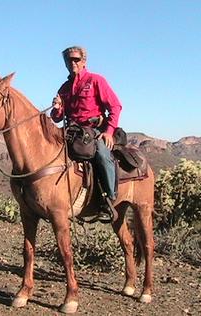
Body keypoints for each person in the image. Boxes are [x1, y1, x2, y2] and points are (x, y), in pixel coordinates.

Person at [50, 46, 122, 222]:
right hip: (72, 132)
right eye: (69, 60)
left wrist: (109, 132)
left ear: (84, 61)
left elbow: (115, 106)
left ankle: (108, 200)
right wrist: (58, 108)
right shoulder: (64, 88)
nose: (72, 63)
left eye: (76, 59)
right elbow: (57, 118)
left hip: (94, 130)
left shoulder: (96, 80)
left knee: (102, 155)